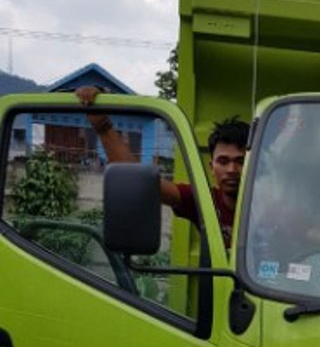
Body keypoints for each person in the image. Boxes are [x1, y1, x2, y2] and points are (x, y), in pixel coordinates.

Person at [76, 86, 248, 249]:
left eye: (241, 161)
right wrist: (102, 126)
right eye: (223, 161)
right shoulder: (205, 201)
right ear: (212, 166)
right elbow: (140, 181)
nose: (232, 170)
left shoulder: (264, 205)